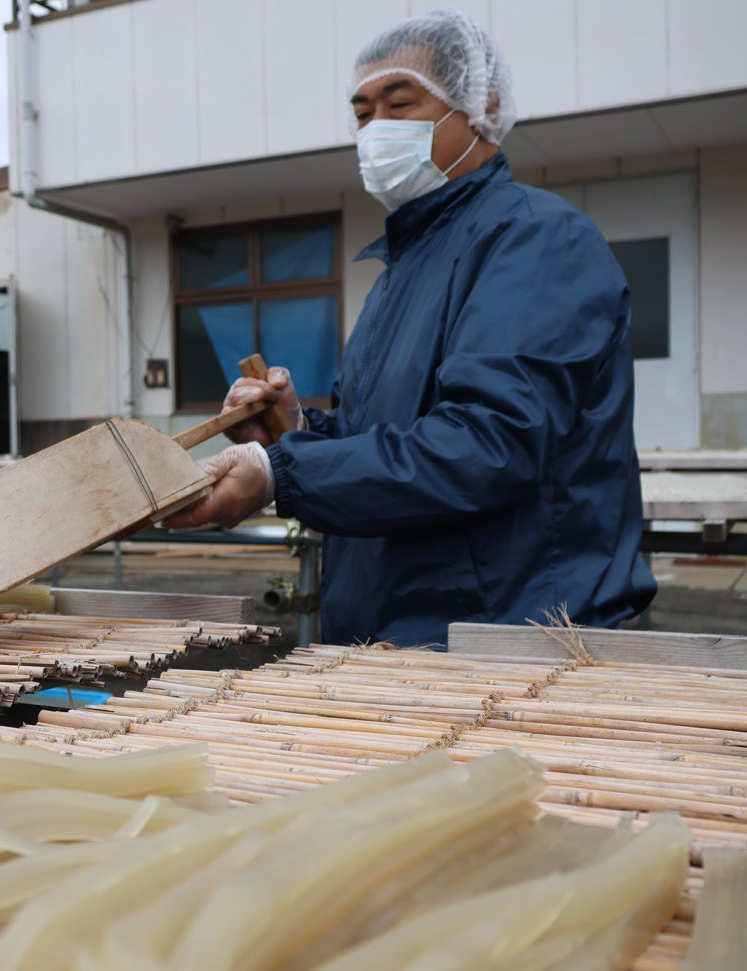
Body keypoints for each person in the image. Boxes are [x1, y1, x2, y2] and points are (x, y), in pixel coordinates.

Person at [165, 7, 655, 648]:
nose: (376, 131)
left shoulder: (536, 241)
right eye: (363, 114)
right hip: (403, 636)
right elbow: (389, 435)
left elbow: (488, 444)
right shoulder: (404, 267)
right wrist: (296, 429)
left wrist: (281, 473)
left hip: (513, 638)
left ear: (483, 105)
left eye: (400, 104)